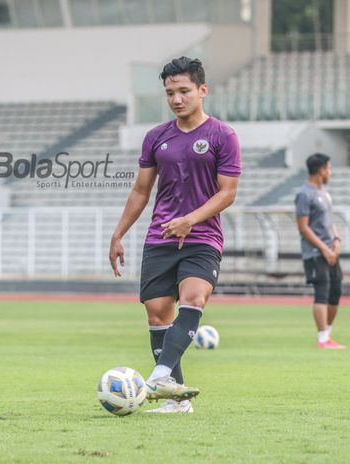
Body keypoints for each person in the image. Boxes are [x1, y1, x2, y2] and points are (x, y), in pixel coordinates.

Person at [109, 57, 241, 413]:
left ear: (202, 90)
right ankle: (179, 401)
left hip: (202, 237)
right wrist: (119, 233)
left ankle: (161, 375)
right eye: (170, 93)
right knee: (157, 314)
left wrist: (190, 220)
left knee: (194, 298)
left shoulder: (222, 136)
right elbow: (140, 190)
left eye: (184, 91)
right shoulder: (156, 137)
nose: (177, 99)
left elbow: (228, 192)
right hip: (160, 237)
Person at [295, 153, 345, 350]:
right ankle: (322, 338)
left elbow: (330, 222)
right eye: (329, 168)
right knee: (322, 292)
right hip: (315, 254)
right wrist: (324, 248)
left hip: (330, 251)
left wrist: (337, 240)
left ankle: (328, 335)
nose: (330, 173)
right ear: (321, 170)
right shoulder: (304, 195)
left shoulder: (325, 194)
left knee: (335, 292)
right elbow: (303, 227)